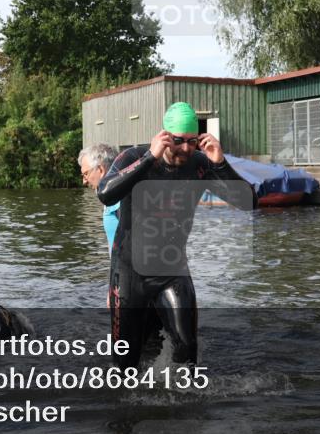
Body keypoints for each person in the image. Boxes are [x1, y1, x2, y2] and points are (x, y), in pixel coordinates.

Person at [97, 102, 256, 369]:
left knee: (187, 349)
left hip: (172, 271)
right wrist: (150, 158)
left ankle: (183, 395)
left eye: (192, 141)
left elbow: (249, 202)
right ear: (165, 136)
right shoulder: (134, 156)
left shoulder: (200, 164)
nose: (185, 148)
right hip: (129, 275)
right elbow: (105, 193)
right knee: (125, 363)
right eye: (179, 141)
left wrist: (221, 164)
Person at [78, 143, 120, 254]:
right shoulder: (114, 195)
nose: (84, 181)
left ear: (100, 170)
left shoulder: (117, 199)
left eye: (86, 174)